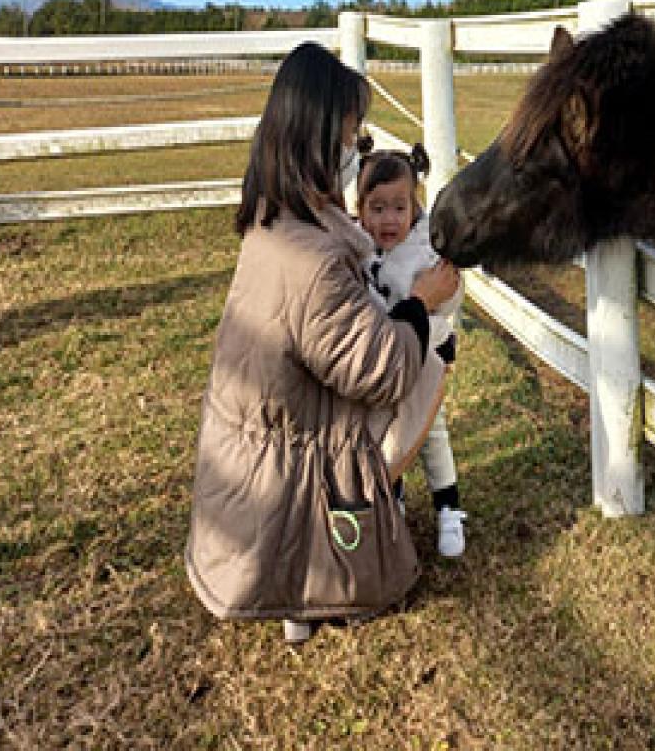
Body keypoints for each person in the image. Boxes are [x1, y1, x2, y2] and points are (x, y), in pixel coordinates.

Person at [184, 41, 460, 645]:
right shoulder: (313, 258)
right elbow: (380, 371)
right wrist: (424, 303)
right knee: (434, 362)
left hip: (252, 459)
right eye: (349, 136)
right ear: (320, 139)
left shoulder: (272, 221)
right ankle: (321, 573)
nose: (351, 151)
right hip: (284, 485)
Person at [356, 139, 467, 558]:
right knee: (387, 432)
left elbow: (451, 296)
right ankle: (393, 500)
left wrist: (436, 318)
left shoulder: (424, 251)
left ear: (414, 207)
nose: (389, 219)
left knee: (431, 431)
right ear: (361, 208)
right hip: (381, 361)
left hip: (424, 356)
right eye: (378, 208)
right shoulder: (360, 252)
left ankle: (449, 507)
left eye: (399, 208)